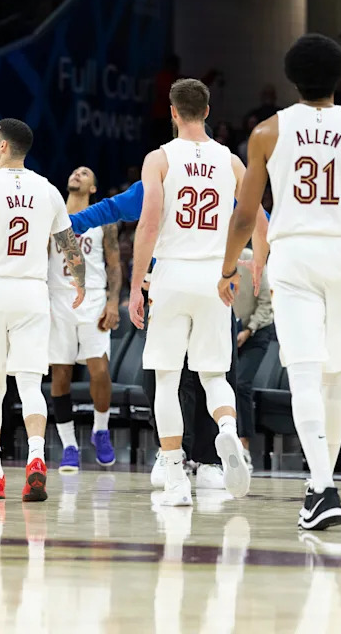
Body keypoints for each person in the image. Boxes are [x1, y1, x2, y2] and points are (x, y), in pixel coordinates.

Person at [218, 34, 341, 530]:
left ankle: (324, 486)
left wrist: (229, 268)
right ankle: (319, 486)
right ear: (340, 77)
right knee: (334, 375)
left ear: (291, 79)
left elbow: (245, 214)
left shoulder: (267, 132)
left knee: (304, 373)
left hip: (294, 254)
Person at [129, 77, 252, 508]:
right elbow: (254, 219)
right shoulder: (232, 162)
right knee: (215, 376)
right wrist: (242, 267)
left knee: (166, 379)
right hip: (215, 278)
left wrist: (135, 286)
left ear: (173, 111)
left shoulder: (159, 159)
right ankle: (225, 432)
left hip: (173, 275)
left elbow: (147, 224)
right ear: (208, 109)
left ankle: (176, 475)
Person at [0, 118, 84, 502]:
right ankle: (36, 458)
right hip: (32, 293)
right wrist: (80, 282)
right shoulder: (49, 190)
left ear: (3, 146)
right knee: (31, 384)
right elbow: (68, 244)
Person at [49, 166, 120, 472]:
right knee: (61, 375)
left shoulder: (104, 219)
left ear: (93, 187)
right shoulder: (52, 216)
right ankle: (68, 445)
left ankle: (100, 430)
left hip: (93, 299)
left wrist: (114, 300)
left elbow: (115, 265)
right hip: (58, 299)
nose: (77, 173)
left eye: (86, 173)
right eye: (75, 171)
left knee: (99, 369)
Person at [231, 246, 273, 464]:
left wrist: (249, 330)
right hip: (227, 332)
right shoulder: (212, 260)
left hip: (256, 331)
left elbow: (267, 302)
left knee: (241, 383)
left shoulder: (250, 259)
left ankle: (244, 446)